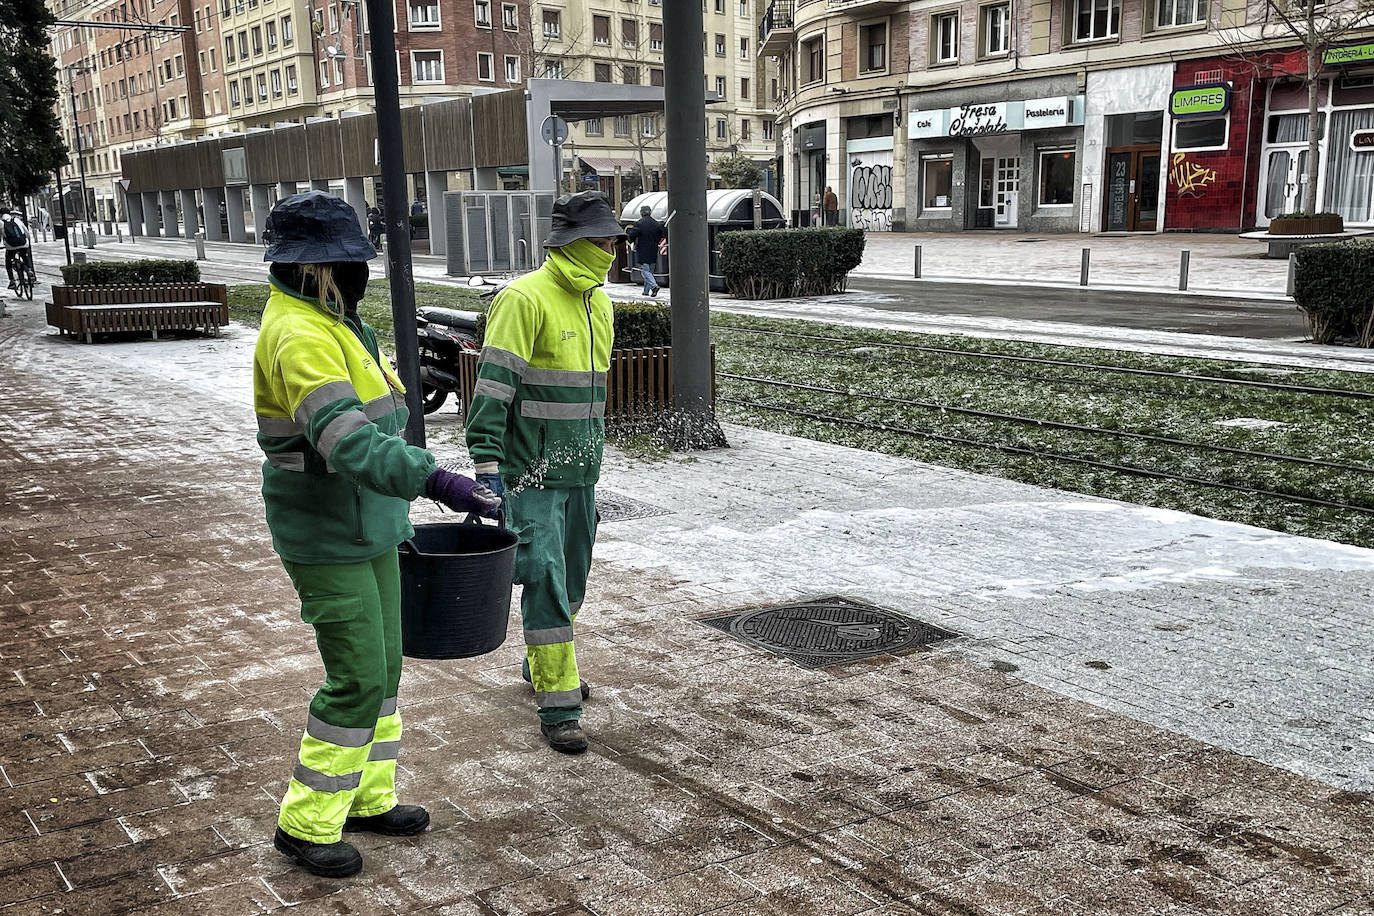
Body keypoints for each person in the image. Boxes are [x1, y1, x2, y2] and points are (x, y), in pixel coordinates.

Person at [252, 191, 500, 878]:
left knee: (384, 670)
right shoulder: (298, 334)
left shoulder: (336, 321)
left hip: (372, 523)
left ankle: (365, 796)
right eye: (349, 263)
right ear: (317, 268)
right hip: (326, 534)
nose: (361, 274)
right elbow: (350, 442)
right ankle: (305, 824)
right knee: (357, 677)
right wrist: (438, 481)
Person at [465, 190, 624, 754]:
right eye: (602, 239)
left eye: (614, 239)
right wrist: (488, 466)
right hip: (530, 472)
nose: (612, 248)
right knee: (547, 580)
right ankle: (559, 706)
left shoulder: (599, 302)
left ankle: (544, 661)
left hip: (580, 472)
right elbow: (493, 388)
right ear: (571, 242)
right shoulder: (522, 299)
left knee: (573, 577)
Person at [625, 205, 663, 298]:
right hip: (653, 250)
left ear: (641, 213)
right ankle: (646, 291)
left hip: (643, 249)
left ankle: (654, 286)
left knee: (645, 271)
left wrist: (629, 240)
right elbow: (660, 235)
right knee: (650, 271)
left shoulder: (639, 223)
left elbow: (633, 235)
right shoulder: (656, 223)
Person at [2, 207, 32, 291]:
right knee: (24, 255)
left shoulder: (1, 223)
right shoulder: (17, 220)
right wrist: (28, 242)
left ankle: (12, 281)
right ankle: (29, 270)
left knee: (8, 262)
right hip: (23, 244)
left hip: (11, 247)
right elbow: (26, 232)